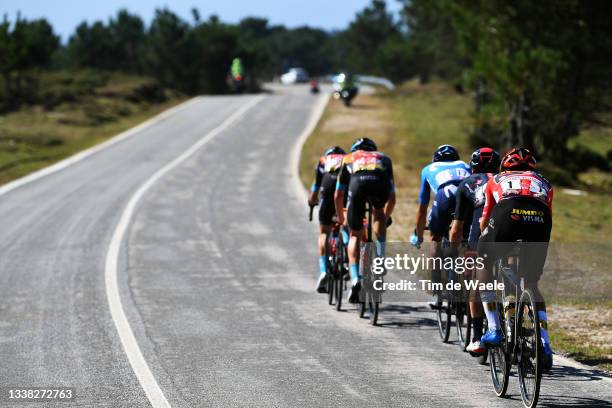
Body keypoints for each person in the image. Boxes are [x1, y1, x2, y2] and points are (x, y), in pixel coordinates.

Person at [477, 147, 554, 370]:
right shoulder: (545, 182)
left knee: (483, 262)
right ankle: (545, 343)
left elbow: (486, 218)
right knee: (531, 283)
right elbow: (549, 215)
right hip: (539, 220)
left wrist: (484, 240)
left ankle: (493, 327)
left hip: (507, 213)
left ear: (505, 165)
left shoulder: (496, 178)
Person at [449, 147, 500, 355]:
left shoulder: (467, 183)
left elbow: (457, 227)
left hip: (479, 235)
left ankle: (477, 337)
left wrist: (454, 249)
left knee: (476, 284)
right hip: (509, 231)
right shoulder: (503, 178)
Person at [334, 138, 396, 303]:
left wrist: (342, 219)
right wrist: (385, 217)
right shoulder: (384, 158)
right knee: (378, 213)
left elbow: (338, 195)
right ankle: (380, 258)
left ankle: (355, 278)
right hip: (379, 185)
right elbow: (392, 196)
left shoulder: (348, 158)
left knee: (355, 235)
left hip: (357, 186)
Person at [410, 145, 471, 304]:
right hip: (467, 197)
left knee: (436, 237)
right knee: (467, 236)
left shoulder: (428, 169)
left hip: (445, 195)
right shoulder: (465, 165)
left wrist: (418, 235)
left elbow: (422, 209)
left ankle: (436, 285)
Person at [309, 146, 346, 293]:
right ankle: (345, 255)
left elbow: (315, 189)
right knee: (347, 224)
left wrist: (312, 201)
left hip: (327, 187)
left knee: (324, 232)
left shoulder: (323, 161)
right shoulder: (348, 160)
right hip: (343, 190)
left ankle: (324, 271)